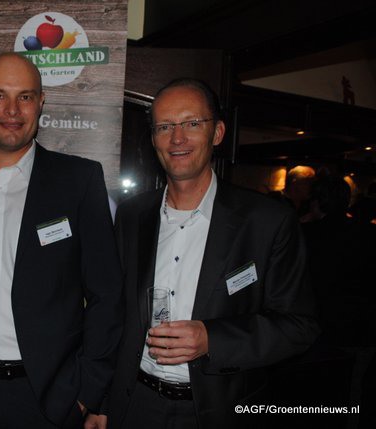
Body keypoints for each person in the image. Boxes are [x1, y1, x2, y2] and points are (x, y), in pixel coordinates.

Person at [88, 78, 319, 429]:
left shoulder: (266, 221)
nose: (177, 138)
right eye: (164, 127)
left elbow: (299, 326)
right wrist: (102, 401)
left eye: (192, 123)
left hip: (220, 409)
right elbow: (114, 316)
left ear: (218, 132)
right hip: (135, 405)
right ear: (153, 139)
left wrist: (212, 338)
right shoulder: (132, 215)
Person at [0, 52, 123, 429]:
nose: (12, 110)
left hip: (47, 399)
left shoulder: (78, 181)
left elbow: (107, 294)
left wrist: (87, 393)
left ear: (41, 102)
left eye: (25, 96)